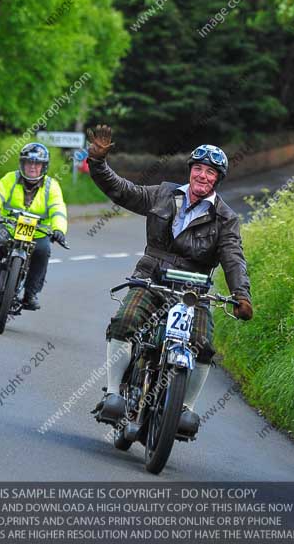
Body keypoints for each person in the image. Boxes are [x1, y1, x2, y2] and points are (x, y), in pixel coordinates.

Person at [86, 124, 252, 437]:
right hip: (152, 276)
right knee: (125, 321)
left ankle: (185, 408)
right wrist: (97, 163)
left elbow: (233, 258)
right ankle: (113, 393)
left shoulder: (226, 218)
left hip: (194, 291)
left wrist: (242, 295)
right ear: (191, 171)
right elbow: (123, 191)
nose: (203, 176)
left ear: (218, 179)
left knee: (203, 346)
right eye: (199, 169)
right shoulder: (163, 193)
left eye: (211, 172)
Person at [0, 142, 68, 310]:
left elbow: (58, 209)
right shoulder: (10, 178)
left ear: (44, 167)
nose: (32, 167)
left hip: (38, 233)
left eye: (37, 163)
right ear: (22, 163)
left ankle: (31, 294)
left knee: (43, 251)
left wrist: (59, 230)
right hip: (9, 227)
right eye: (29, 162)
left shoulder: (52, 186)